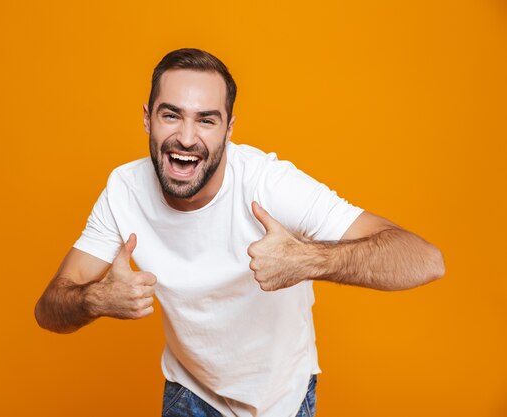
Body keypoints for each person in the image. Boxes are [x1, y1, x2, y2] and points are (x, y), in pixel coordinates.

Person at [34, 48, 445, 417]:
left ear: (229, 128)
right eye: (171, 114)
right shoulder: (123, 190)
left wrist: (311, 260)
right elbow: (49, 308)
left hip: (282, 399)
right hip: (189, 393)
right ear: (147, 118)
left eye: (206, 120)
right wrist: (96, 298)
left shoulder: (269, 183)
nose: (186, 138)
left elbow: (424, 259)